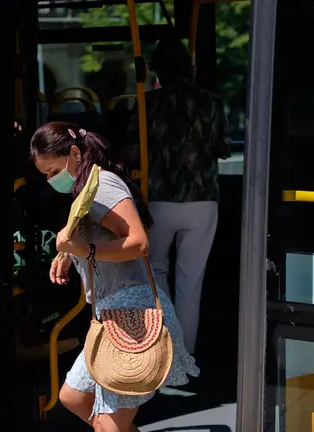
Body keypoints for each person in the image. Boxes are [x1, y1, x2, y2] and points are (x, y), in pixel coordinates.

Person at [31, 121, 199, 432]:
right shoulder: (87, 187)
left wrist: (87, 250)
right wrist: (71, 252)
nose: (51, 181)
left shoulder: (102, 187)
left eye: (54, 171)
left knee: (107, 425)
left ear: (74, 153)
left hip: (132, 315)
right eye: (46, 176)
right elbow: (96, 236)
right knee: (73, 397)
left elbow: (138, 242)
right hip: (112, 313)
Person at [125, 38, 231, 356]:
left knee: (155, 273)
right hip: (203, 200)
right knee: (190, 281)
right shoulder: (212, 103)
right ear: (192, 68)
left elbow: (131, 151)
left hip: (157, 199)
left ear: (155, 69)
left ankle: (161, 352)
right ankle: (184, 355)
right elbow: (223, 149)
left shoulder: (147, 104)